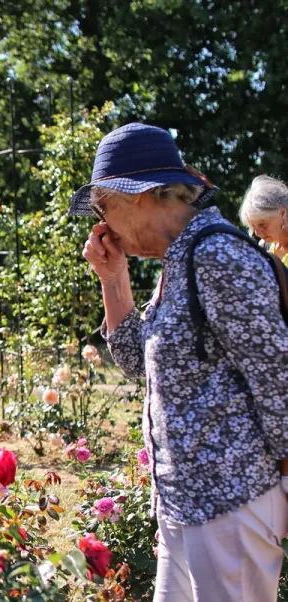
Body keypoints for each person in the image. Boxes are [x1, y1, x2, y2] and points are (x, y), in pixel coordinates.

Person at [75, 123, 288, 602]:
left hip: (234, 504)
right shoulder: (181, 261)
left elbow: (280, 381)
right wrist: (113, 279)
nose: (101, 224)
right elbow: (136, 361)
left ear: (142, 196)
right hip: (185, 506)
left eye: (103, 206)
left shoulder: (217, 255)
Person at [240, 175, 288, 262]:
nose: (257, 233)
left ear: (282, 213)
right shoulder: (265, 246)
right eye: (253, 226)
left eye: (262, 224)